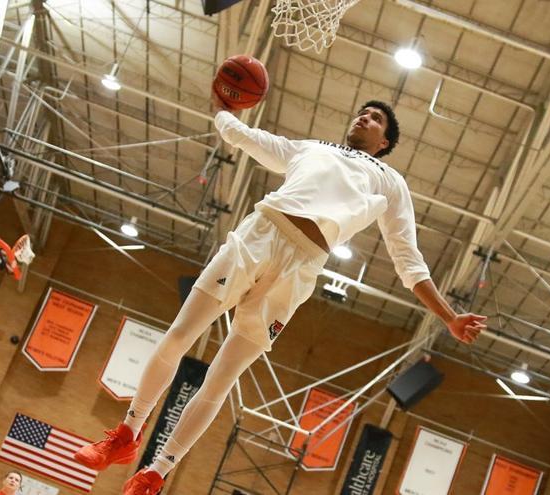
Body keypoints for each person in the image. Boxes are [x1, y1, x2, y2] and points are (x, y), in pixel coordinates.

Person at [74, 90, 488, 495]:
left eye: (375, 118)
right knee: (179, 336)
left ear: (385, 143)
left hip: (301, 266)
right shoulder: (309, 148)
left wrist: (448, 316)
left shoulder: (389, 182)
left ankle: (156, 473)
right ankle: (127, 432)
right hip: (260, 235)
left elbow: (407, 258)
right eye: (362, 111)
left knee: (221, 377)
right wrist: (222, 109)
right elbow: (246, 137)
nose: (364, 117)